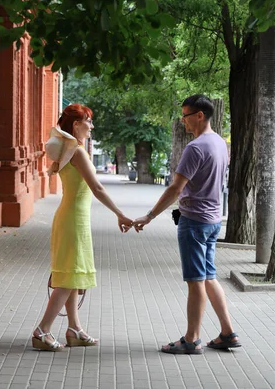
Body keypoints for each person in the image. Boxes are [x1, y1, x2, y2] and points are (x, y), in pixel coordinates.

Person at [132, 95, 241, 354]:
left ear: (200, 115)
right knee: (209, 277)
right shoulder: (219, 143)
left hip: (194, 222)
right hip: (213, 221)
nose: (183, 122)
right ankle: (227, 332)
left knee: (196, 281)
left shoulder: (196, 147)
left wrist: (149, 216)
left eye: (186, 116)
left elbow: (175, 188)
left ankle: (191, 339)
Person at [32, 104, 133, 351]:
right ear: (76, 125)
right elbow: (97, 188)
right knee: (68, 277)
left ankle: (74, 329)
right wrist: (120, 214)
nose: (92, 126)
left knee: (73, 275)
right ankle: (42, 331)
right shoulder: (76, 152)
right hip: (73, 220)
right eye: (88, 121)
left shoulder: (69, 150)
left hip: (71, 218)